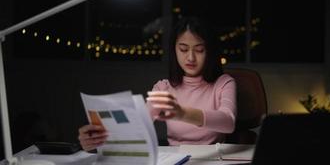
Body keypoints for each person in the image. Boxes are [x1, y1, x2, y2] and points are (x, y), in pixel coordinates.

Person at [78, 16, 236, 151]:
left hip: (213, 160)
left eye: (199, 50)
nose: (190, 58)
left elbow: (228, 122)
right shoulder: (164, 88)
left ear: (210, 51)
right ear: (174, 50)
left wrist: (182, 113)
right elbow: (137, 126)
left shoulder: (223, 83)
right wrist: (98, 140)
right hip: (176, 160)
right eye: (183, 49)